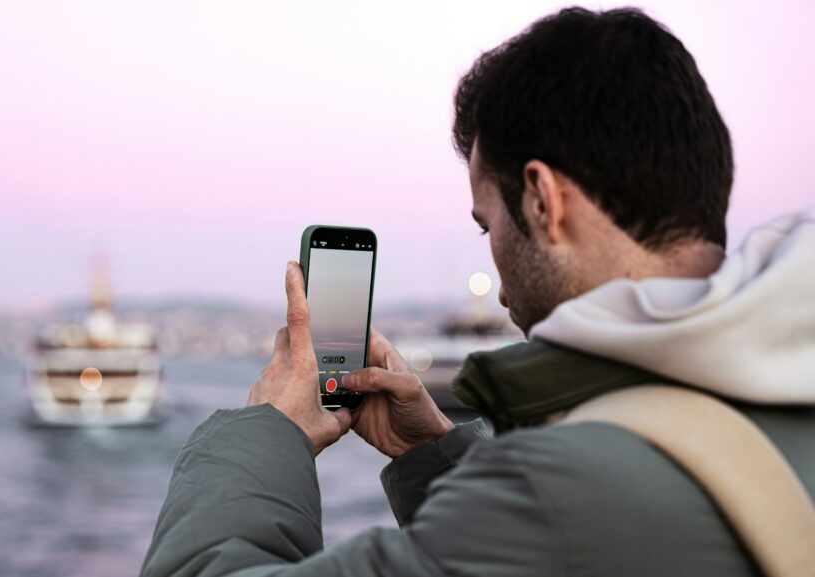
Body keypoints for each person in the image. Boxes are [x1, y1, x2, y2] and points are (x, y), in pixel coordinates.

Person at [142, 7, 815, 576]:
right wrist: (434, 453)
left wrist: (269, 429)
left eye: (486, 223)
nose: (496, 282)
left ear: (544, 200)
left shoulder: (555, 497)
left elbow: (556, 525)